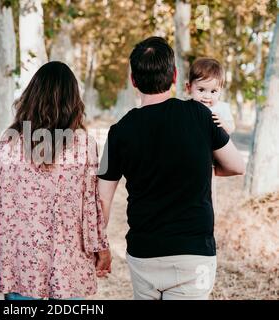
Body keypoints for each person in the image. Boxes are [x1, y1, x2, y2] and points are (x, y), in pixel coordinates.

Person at [97, 37, 245, 300]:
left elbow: (102, 199)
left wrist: (99, 246)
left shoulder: (118, 132)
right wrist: (205, 168)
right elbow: (237, 166)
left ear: (133, 80)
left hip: (144, 254)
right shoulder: (200, 116)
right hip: (194, 253)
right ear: (175, 76)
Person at [0, 61, 111, 300]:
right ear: (73, 100)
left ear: (31, 96)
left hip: (19, 261)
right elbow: (90, 206)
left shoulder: (11, 141)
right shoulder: (84, 144)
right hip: (69, 260)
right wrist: (100, 247)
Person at [186, 57, 235, 134]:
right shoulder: (187, 107)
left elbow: (231, 129)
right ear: (189, 88)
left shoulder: (222, 108)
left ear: (220, 91)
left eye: (213, 91)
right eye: (201, 90)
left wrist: (224, 124)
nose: (207, 96)